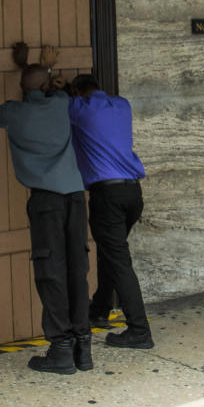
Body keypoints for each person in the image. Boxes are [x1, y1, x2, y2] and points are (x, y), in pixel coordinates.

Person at [0, 42, 91, 374]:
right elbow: (41, 86)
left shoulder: (12, 113)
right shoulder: (62, 103)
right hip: (76, 197)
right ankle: (83, 348)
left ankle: (61, 350)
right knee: (77, 269)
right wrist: (34, 67)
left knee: (52, 273)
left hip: (46, 202)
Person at [66, 72, 153, 350]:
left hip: (108, 195)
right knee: (110, 251)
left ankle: (139, 330)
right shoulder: (122, 105)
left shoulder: (78, 108)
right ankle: (101, 308)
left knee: (118, 260)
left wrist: (61, 89)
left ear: (79, 92)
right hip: (132, 193)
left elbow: (57, 106)